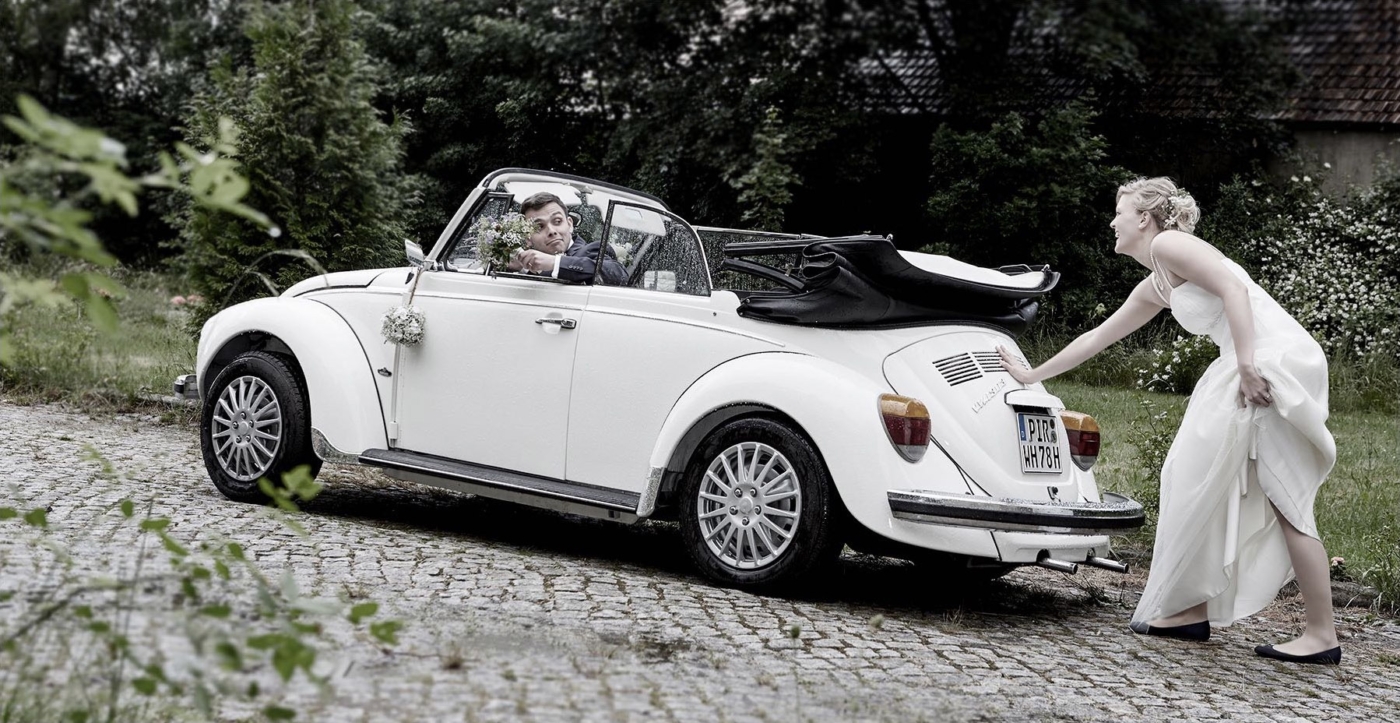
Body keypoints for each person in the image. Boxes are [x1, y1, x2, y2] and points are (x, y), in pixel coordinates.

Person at [997, 177, 1341, 665]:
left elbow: (1234, 290)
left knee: (1284, 493)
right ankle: (1186, 610)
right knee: (1191, 476)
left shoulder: (1171, 243)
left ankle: (1321, 635)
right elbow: (1097, 338)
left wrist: (1246, 365)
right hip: (1246, 360)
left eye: (1119, 210)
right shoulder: (1157, 281)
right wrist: (1030, 373)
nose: (1112, 221)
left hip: (1269, 360)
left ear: (1145, 218)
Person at [508, 192, 628, 285]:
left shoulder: (593, 250)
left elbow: (619, 275)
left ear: (570, 224)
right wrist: (520, 269)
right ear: (528, 238)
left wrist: (554, 263)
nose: (551, 231)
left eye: (557, 221)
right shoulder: (524, 267)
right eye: (539, 226)